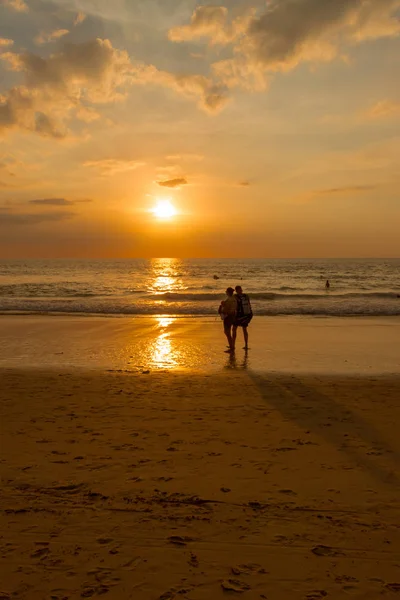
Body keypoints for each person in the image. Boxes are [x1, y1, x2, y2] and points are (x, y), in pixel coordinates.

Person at [233, 285, 253, 350]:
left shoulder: (235, 297)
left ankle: (233, 345)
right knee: (243, 329)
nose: (240, 290)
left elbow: (234, 306)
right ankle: (246, 345)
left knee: (235, 329)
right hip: (245, 315)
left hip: (239, 315)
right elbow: (249, 305)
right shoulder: (246, 296)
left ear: (236, 290)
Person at [219, 287, 237, 353]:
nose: (226, 292)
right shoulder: (233, 299)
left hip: (228, 317)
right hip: (233, 316)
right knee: (228, 332)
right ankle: (232, 346)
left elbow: (228, 309)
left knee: (227, 332)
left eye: (226, 291)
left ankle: (232, 347)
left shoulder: (229, 299)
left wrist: (223, 307)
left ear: (228, 292)